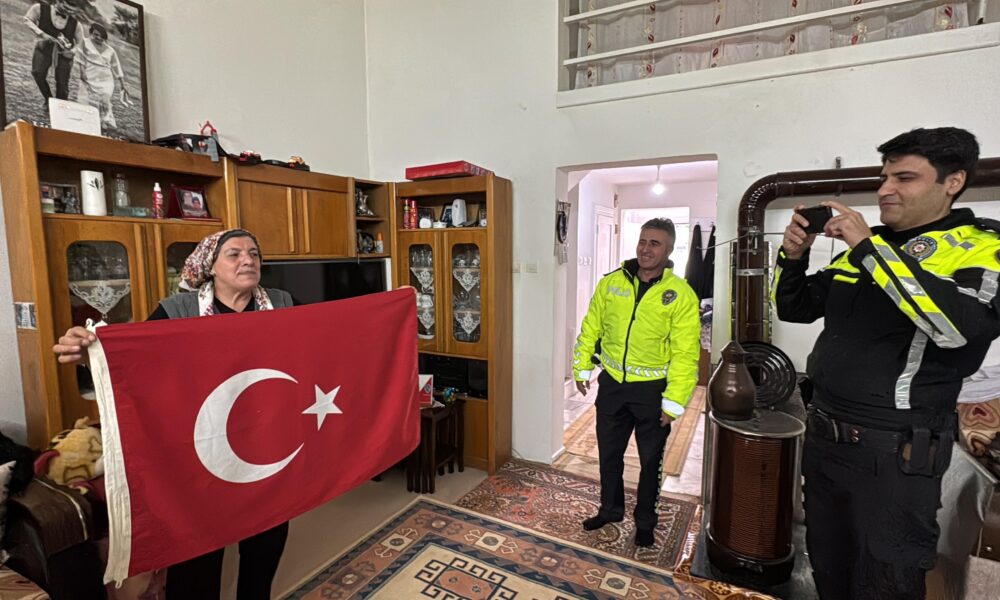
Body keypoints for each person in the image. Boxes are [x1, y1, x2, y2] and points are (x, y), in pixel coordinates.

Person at [773, 127, 1000, 599]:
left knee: (885, 583)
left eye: (904, 178)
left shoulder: (980, 246)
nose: (884, 190)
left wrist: (868, 249)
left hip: (895, 455)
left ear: (953, 181)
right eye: (883, 178)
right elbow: (795, 307)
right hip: (826, 439)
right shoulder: (871, 248)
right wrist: (792, 257)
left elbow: (956, 328)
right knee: (828, 567)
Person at [53, 229, 292, 600]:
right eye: (234, 254)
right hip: (202, 447)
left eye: (254, 253)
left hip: (264, 443)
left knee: (264, 549)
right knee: (198, 558)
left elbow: (318, 341)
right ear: (210, 266)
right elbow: (136, 357)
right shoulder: (178, 309)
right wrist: (90, 354)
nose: (248, 260)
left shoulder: (282, 302)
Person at [572, 218, 700, 547]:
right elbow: (591, 327)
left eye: (654, 243)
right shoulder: (611, 283)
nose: (646, 249)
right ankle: (610, 510)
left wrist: (674, 402)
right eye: (643, 241)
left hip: (652, 392)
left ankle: (645, 522)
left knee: (650, 462)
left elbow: (686, 354)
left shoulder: (681, 295)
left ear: (669, 249)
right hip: (612, 385)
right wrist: (582, 367)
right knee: (609, 455)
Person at [74, 22, 130, 130]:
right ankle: (92, 121)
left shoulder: (110, 50)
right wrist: (82, 72)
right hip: (90, 75)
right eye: (95, 34)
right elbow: (81, 58)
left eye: (101, 36)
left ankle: (105, 120)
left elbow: (117, 67)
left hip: (106, 79)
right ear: (91, 33)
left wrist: (122, 84)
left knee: (105, 100)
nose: (98, 37)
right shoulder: (85, 43)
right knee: (86, 99)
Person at [23, 0, 82, 101]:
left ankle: (61, 105)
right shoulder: (39, 8)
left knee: (62, 83)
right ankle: (48, 99)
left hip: (64, 53)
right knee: (37, 73)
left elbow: (81, 42)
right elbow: (27, 19)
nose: (67, 12)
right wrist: (41, 33)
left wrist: (73, 51)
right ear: (58, 1)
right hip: (43, 48)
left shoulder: (76, 24)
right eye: (65, 8)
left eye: (71, 11)